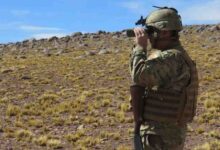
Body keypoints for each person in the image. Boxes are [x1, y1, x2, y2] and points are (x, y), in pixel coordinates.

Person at [129, 7, 198, 150]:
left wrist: (140, 47)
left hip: (160, 135)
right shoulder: (173, 56)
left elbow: (139, 76)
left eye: (151, 31)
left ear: (165, 32)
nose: (149, 36)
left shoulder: (173, 57)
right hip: (162, 133)